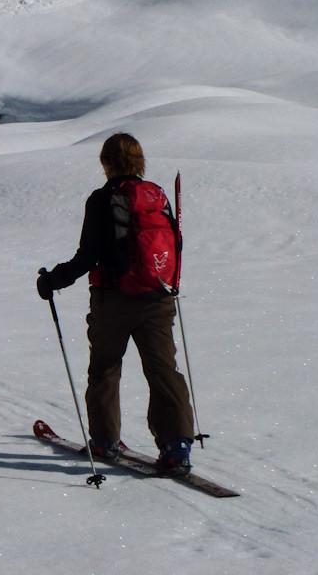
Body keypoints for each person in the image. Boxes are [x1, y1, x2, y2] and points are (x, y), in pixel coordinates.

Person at [36, 133, 195, 475]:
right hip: (159, 296)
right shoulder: (157, 196)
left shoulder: (102, 199)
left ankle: (105, 440)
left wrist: (52, 281)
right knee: (163, 369)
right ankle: (177, 446)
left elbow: (87, 256)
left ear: (107, 163)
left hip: (114, 299)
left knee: (106, 367)